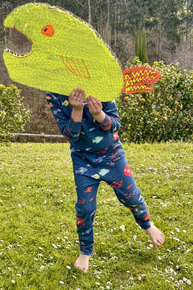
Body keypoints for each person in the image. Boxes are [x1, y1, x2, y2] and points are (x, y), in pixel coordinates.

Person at [46, 88, 165, 273]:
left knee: (132, 197)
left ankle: (147, 224)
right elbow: (70, 136)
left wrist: (98, 114)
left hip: (112, 156)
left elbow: (115, 125)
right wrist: (76, 110)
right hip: (83, 160)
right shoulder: (53, 94)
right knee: (85, 208)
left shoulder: (101, 84)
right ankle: (85, 251)